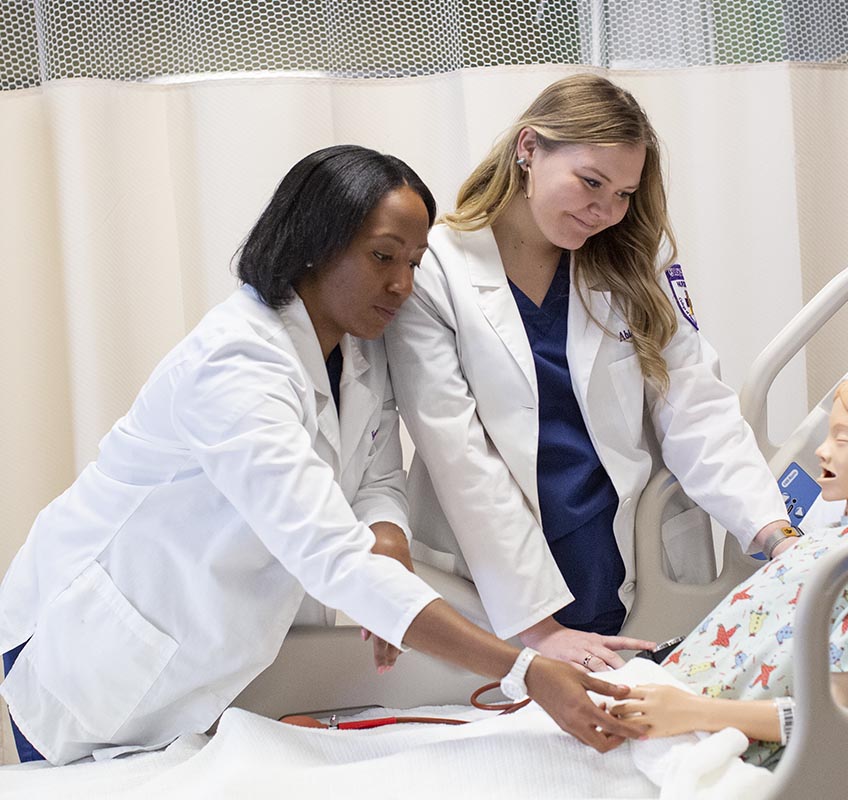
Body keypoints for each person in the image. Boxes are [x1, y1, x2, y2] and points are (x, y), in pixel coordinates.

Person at [0, 145, 643, 766]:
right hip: (92, 644)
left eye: (414, 263)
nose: (401, 285)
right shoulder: (237, 364)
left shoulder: (357, 345)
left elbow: (378, 473)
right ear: (313, 243)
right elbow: (330, 556)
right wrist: (526, 670)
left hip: (190, 650)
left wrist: (387, 536)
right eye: (382, 257)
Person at [385, 74, 795, 671]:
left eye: (625, 193)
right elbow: (458, 455)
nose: (606, 212)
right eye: (591, 182)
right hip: (498, 590)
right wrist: (540, 629)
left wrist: (771, 531)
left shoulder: (634, 264)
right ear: (529, 149)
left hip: (619, 565)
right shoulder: (436, 268)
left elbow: (695, 404)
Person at [609, 373, 848, 766]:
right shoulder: (829, 541)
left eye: (842, 439)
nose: (822, 452)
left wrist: (690, 710)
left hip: (698, 740)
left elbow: (832, 714)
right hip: (658, 700)